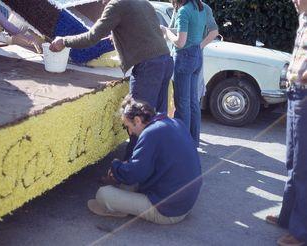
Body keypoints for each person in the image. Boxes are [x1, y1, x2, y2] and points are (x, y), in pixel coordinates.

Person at [49, 0, 173, 160]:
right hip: (165, 60)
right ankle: (157, 164)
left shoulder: (116, 5)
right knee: (157, 120)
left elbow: (92, 37)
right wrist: (117, 35)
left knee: (138, 121)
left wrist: (64, 41)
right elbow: (145, 31)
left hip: (148, 67)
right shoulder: (143, 2)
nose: (101, 2)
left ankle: (130, 171)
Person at [87, 97, 202, 224]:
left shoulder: (150, 133)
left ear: (137, 120)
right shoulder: (175, 123)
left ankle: (118, 208)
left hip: (168, 211)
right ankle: (123, 203)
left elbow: (134, 173)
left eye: (128, 127)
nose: (130, 132)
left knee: (103, 194)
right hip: (183, 203)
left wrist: (115, 166)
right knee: (128, 173)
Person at [266, 0, 307, 245]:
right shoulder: (304, 18)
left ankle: (301, 231)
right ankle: (287, 217)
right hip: (295, 93)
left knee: (303, 164)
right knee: (292, 159)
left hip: (305, 96)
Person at [161, 0, 206, 147]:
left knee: (182, 103)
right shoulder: (200, 7)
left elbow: (180, 42)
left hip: (184, 57)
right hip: (197, 55)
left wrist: (166, 31)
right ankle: (193, 142)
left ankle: (182, 145)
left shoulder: (183, 11)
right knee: (193, 101)